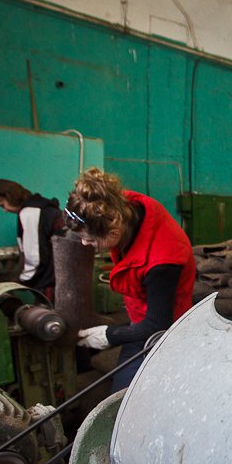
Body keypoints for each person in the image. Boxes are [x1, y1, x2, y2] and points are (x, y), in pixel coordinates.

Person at [64, 168, 195, 392]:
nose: (85, 244)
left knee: (124, 398)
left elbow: (157, 326)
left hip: (163, 333)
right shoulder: (117, 207)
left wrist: (110, 335)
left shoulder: (162, 261)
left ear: (114, 233)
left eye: (89, 239)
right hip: (140, 318)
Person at [0, 179, 65, 300]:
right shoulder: (42, 207)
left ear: (10, 196)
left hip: (50, 284)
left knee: (48, 315)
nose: (5, 210)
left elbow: (35, 257)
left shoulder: (29, 213)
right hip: (62, 278)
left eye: (3, 204)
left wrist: (19, 281)